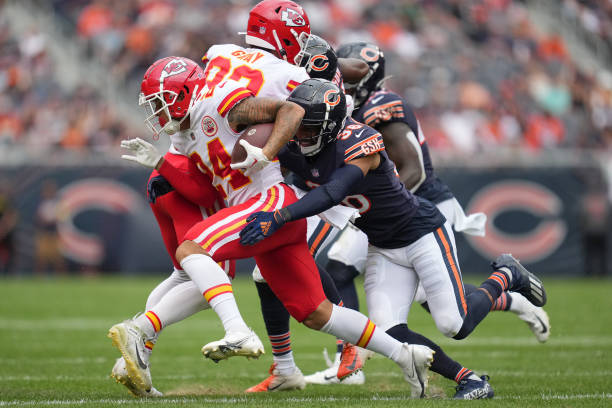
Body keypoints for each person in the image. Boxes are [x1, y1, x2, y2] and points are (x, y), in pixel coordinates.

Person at [117, 55, 435, 398]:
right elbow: (201, 190)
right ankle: (406, 356)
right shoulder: (184, 135)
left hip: (270, 201)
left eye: (160, 103)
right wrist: (161, 163)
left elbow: (292, 111)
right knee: (317, 313)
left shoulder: (219, 101)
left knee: (192, 248)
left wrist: (267, 153)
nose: (156, 113)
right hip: (260, 214)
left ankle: (188, 329)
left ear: (183, 94)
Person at [238, 79, 548, 397]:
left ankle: (506, 274)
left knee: (455, 325)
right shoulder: (295, 146)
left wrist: (278, 218)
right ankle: (469, 379)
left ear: (330, 126)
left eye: (308, 129)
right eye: (298, 127)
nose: (299, 135)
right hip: (382, 247)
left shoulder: (360, 140)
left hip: (421, 233)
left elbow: (333, 192)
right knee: (388, 333)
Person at [110, 150, 234, 397]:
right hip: (187, 180)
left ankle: (133, 360)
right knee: (215, 276)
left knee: (182, 273)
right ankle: (140, 328)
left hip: (164, 175)